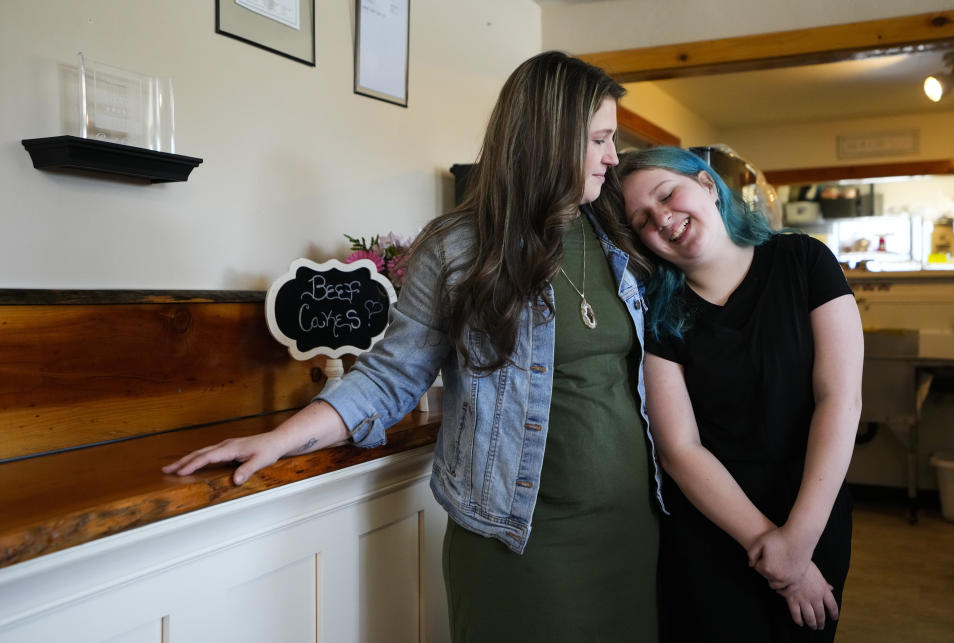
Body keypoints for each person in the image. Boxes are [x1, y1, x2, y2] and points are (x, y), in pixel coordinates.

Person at [164, 51, 665, 642]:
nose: (613, 155)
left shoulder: (622, 234)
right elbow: (389, 376)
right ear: (548, 138)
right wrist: (280, 439)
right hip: (517, 541)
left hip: (631, 533)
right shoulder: (459, 248)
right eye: (600, 138)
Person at [607, 146, 862, 642]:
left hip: (814, 510)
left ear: (706, 184)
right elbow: (680, 449)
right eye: (642, 219)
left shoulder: (804, 260)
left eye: (667, 194)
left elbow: (840, 399)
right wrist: (771, 547)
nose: (662, 218)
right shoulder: (659, 314)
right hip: (712, 532)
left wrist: (799, 541)